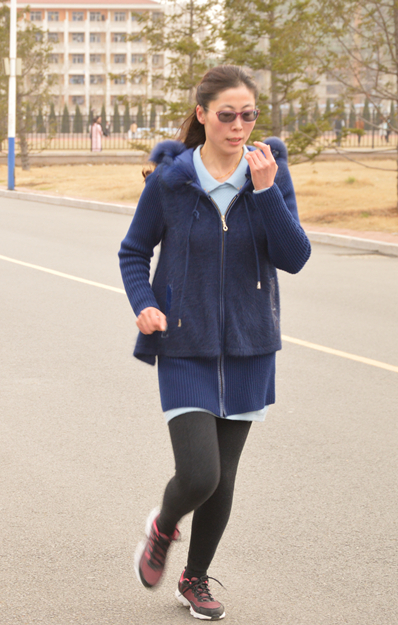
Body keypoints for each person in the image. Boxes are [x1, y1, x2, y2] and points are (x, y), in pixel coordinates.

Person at [118, 65, 311, 621]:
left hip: (250, 345)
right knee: (200, 474)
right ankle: (163, 526)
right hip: (184, 342)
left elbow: (294, 257)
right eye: (227, 115)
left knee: (223, 478)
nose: (239, 126)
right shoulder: (171, 181)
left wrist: (267, 192)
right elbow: (134, 252)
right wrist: (144, 304)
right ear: (202, 114)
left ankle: (194, 579)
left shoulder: (268, 173)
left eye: (248, 115)